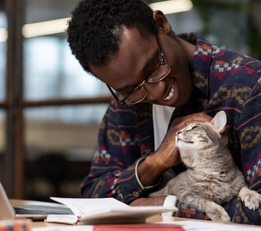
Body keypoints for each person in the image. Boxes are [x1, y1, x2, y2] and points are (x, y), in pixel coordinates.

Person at [66, 0, 261, 225]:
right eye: (131, 89)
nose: (157, 91)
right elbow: (93, 196)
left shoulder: (250, 87)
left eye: (153, 67)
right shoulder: (126, 104)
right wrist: (154, 164)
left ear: (161, 24)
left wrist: (165, 207)